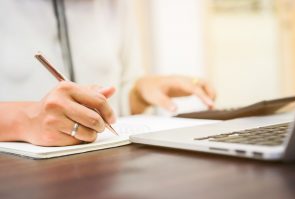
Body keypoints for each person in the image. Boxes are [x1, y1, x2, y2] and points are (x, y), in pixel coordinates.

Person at [0, 0, 216, 146]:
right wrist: (23, 120)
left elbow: (117, 98)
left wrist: (139, 91)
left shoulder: (117, 4)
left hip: (102, 164)